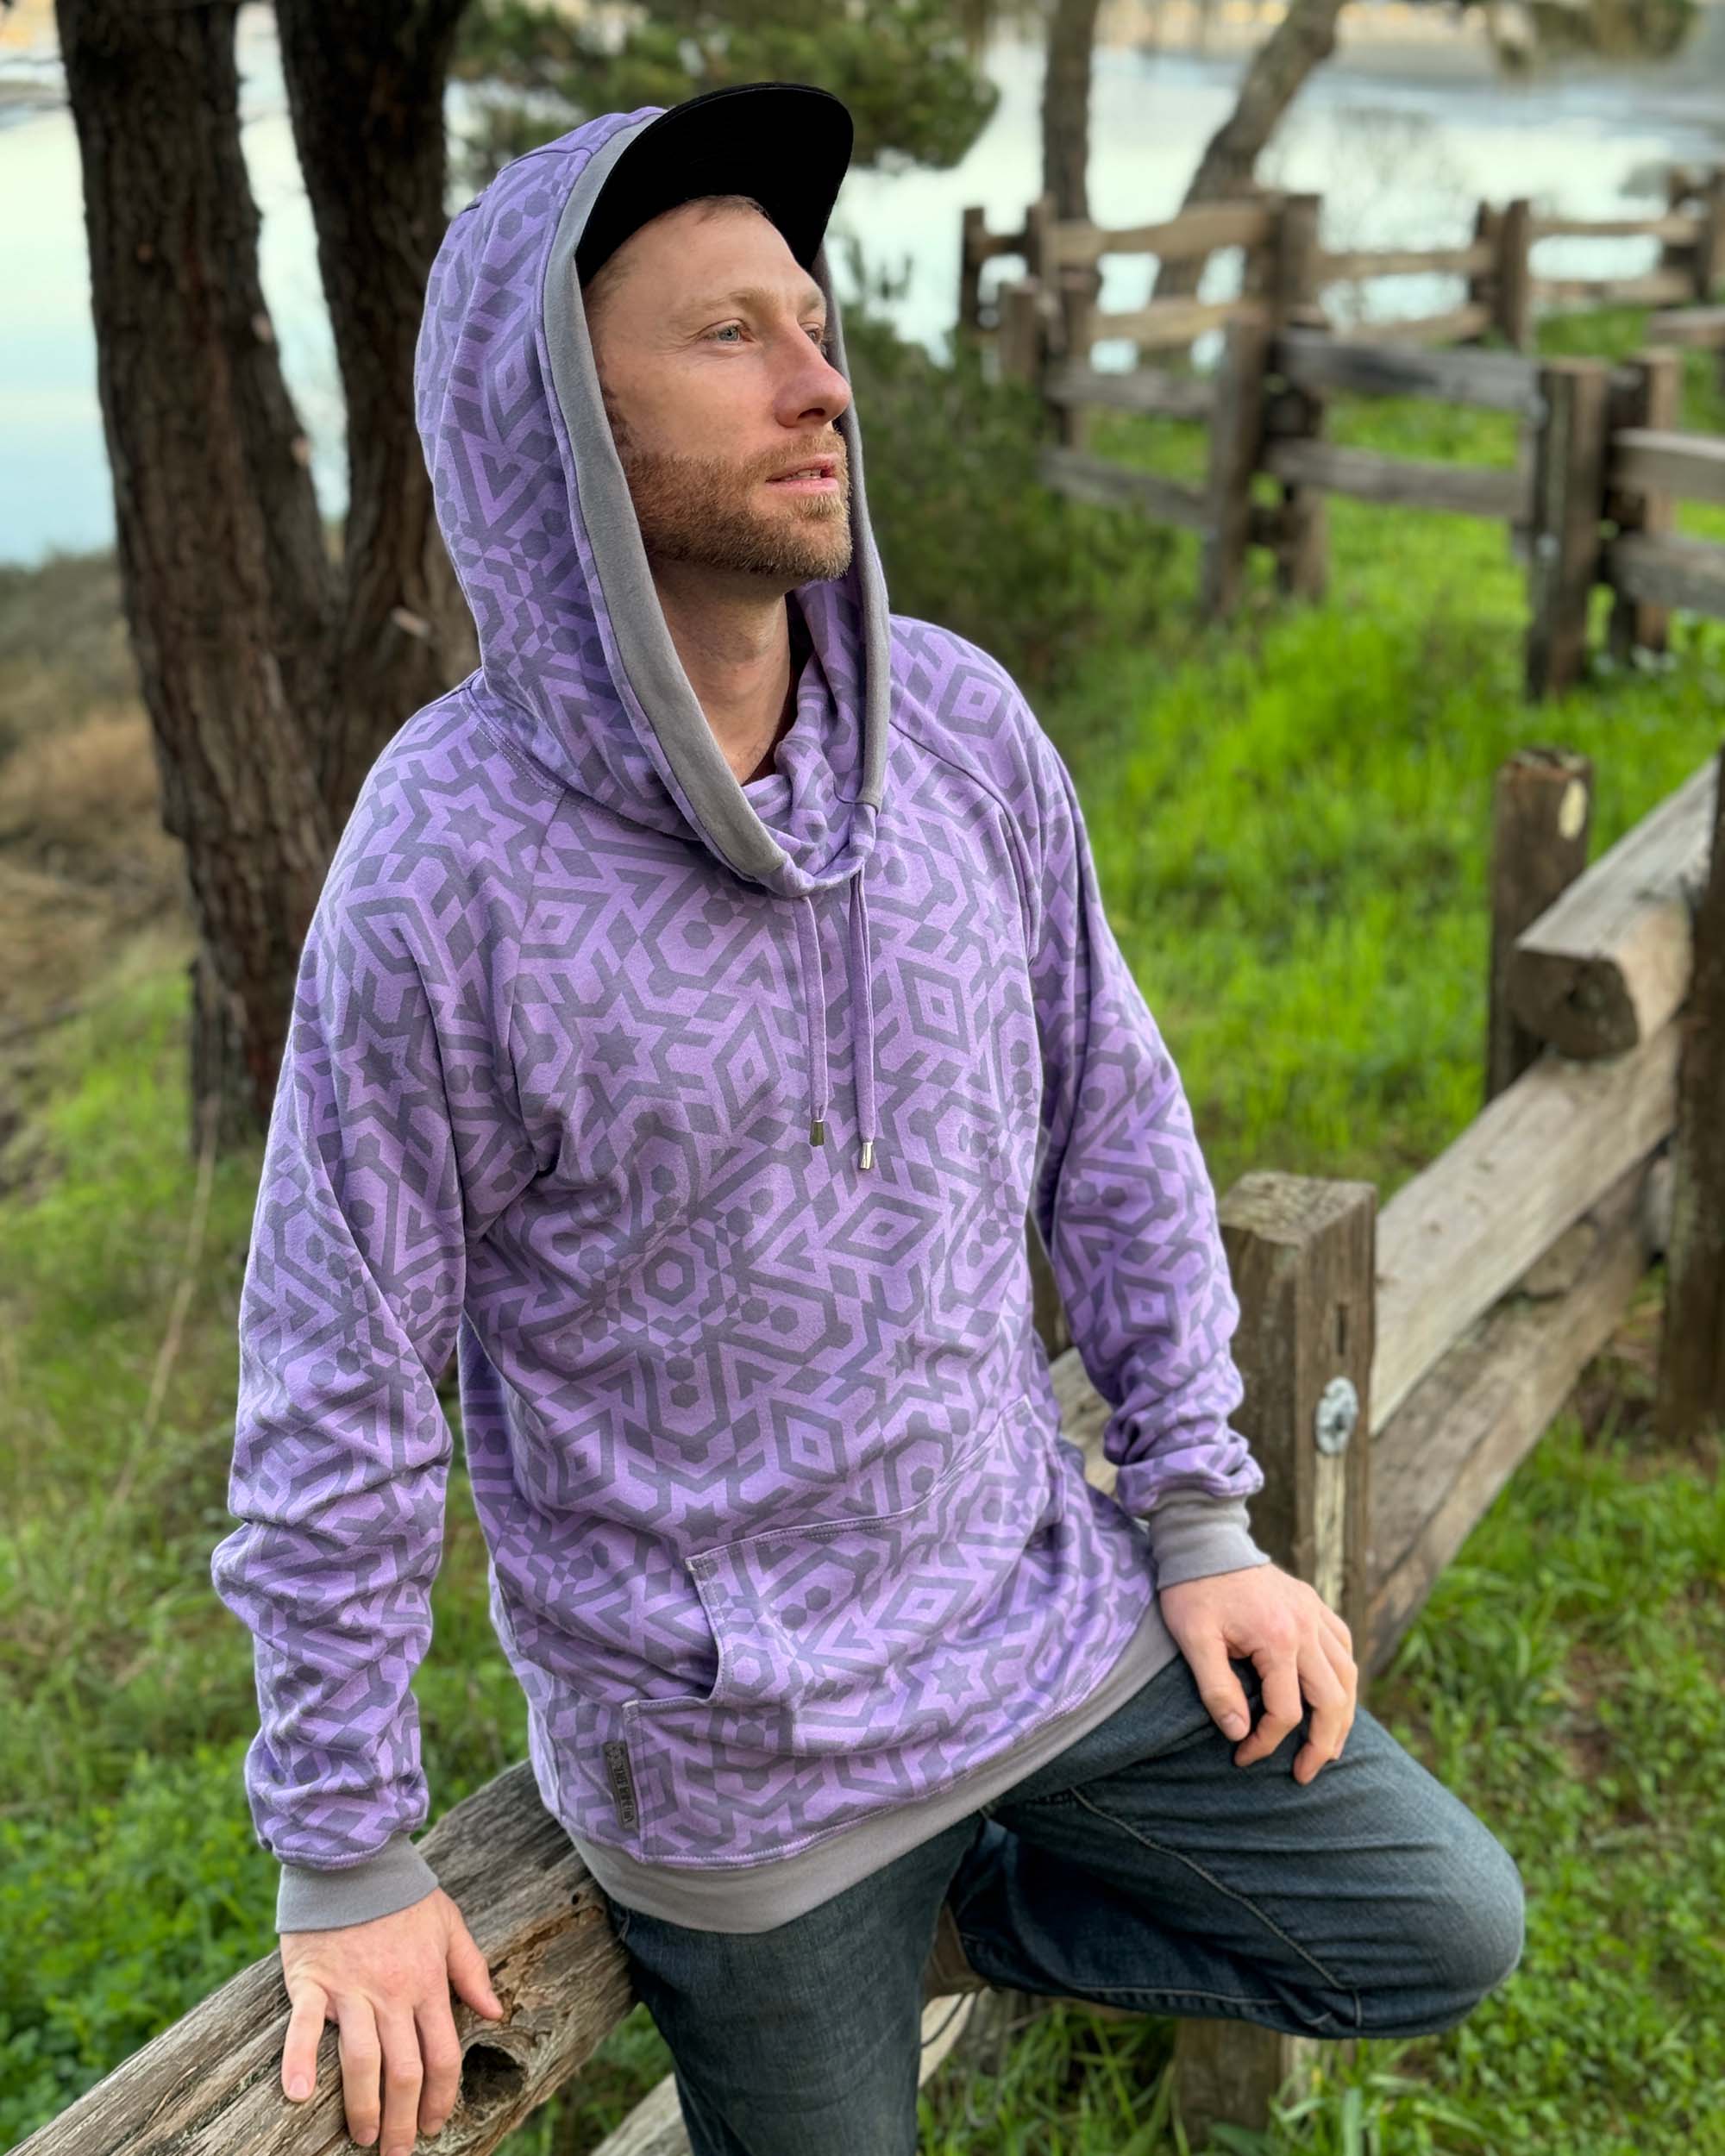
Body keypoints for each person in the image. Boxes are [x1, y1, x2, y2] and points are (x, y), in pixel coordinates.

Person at [209, 81, 1526, 2156]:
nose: (819, 381)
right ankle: (859, 1928)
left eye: (814, 325)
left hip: (1040, 1624)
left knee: (1438, 1923)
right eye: (728, 334)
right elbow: (338, 1369)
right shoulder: (445, 863)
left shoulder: (966, 731)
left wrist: (1197, 1514)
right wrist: (344, 1846)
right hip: (742, 1783)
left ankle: (960, 1906)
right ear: (559, 412)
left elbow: (1114, 1123)